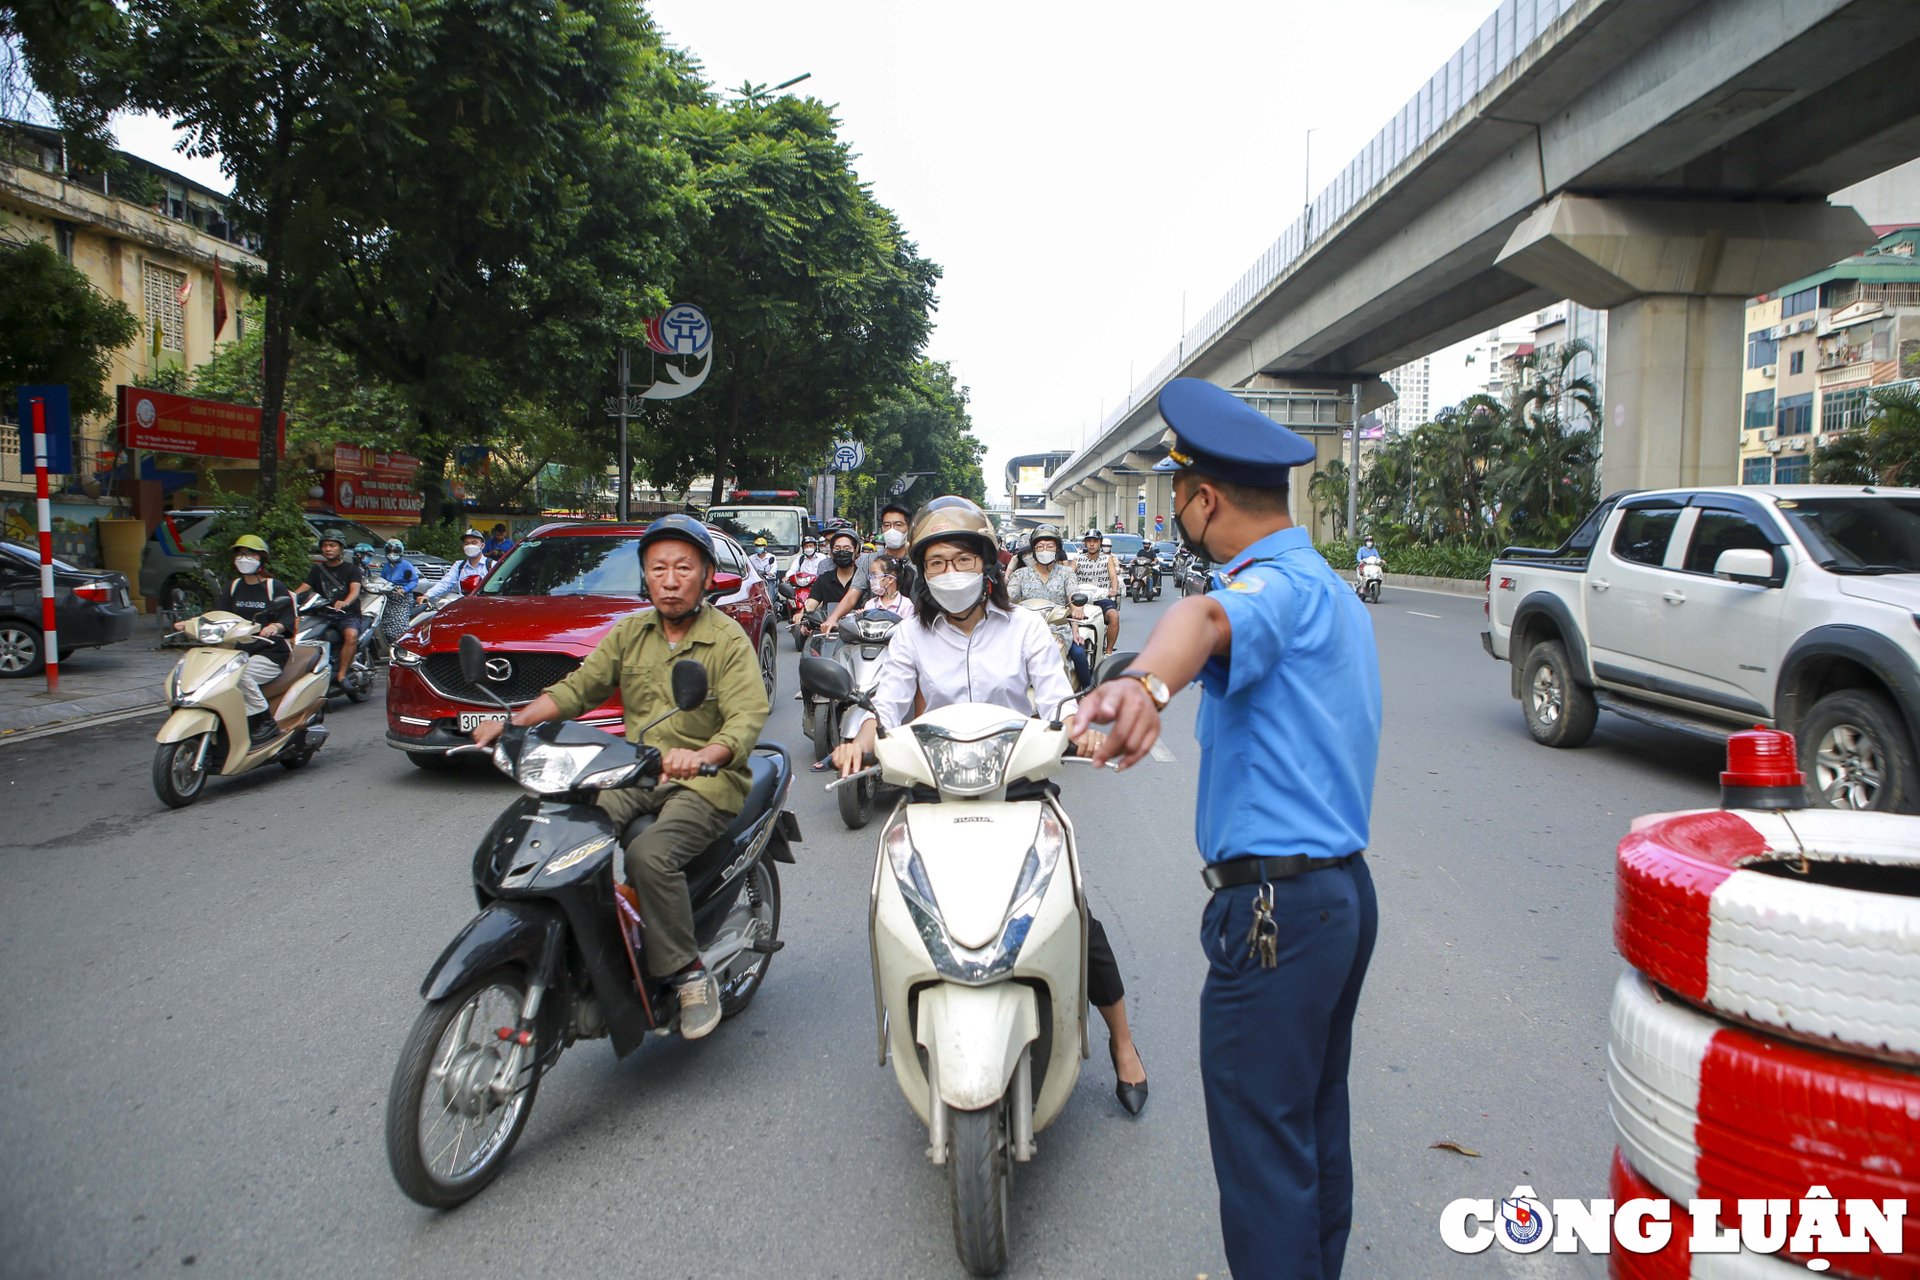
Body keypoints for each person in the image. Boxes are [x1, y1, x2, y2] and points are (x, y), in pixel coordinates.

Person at [1071, 377, 1381, 1278]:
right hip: (1338, 898)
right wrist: (1141, 674)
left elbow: (1204, 619)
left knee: (1263, 1161)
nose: (1175, 514)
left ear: (1205, 500)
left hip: (1274, 914)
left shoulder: (1267, 591)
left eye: (1177, 498)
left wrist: (1143, 687)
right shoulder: (1328, 590)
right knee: (1311, 1130)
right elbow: (1210, 641)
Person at [832, 497, 1149, 1116]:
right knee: (898, 900)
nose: (952, 572)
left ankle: (1122, 1040)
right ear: (924, 572)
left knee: (1072, 910)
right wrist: (861, 733)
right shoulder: (911, 635)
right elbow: (885, 701)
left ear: (987, 566)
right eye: (939, 562)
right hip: (934, 787)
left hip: (1019, 784)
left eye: (963, 560)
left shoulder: (1026, 628)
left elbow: (1058, 698)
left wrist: (1075, 724)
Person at [472, 515, 770, 1040]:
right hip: (632, 773)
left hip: (705, 781)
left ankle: (687, 973)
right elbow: (577, 689)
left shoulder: (726, 639)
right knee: (561, 829)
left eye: (683, 568)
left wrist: (706, 753)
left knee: (648, 856)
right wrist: (512, 721)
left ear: (704, 578)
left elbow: (747, 717)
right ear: (646, 577)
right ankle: (587, 943)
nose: (671, 580)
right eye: (659, 569)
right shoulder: (631, 632)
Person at [174, 535, 297, 745]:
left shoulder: (273, 586)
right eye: (240, 554)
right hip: (235, 651)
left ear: (261, 559)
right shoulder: (234, 587)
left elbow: (287, 617)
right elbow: (217, 614)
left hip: (269, 652)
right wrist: (191, 623)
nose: (244, 558)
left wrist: (274, 626)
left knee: (240, 677)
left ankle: (264, 720)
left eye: (250, 554)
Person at [1006, 524, 1090, 687]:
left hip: (1059, 629)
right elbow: (1008, 598)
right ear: (1033, 550)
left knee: (1079, 654)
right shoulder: (1020, 574)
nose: (1045, 550)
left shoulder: (1067, 573)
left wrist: (1077, 611)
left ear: (1057, 549)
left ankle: (1087, 692)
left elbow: (1073, 596)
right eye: (1040, 547)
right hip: (1026, 632)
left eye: (1049, 546)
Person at [293, 529, 363, 685]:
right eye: (325, 546)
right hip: (322, 614)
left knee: (351, 635)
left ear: (341, 548)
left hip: (347, 614)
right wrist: (289, 597)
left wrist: (345, 602)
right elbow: (304, 587)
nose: (328, 549)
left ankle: (342, 675)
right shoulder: (317, 569)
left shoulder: (352, 569)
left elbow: (355, 590)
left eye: (332, 545)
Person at [1072, 529, 1123, 649]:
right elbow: (1069, 575)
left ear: (1100, 543)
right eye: (1089, 541)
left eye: (1095, 541)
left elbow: (1113, 577)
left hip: (1101, 598)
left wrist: (1114, 590)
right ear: (1085, 543)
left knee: (1114, 616)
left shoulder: (1107, 559)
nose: (1092, 544)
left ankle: (1109, 651)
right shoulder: (1078, 558)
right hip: (1080, 600)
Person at [812, 527, 869, 635]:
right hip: (829, 634)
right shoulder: (824, 579)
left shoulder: (865, 580)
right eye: (837, 548)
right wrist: (803, 614)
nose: (842, 552)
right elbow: (811, 602)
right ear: (832, 551)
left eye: (847, 548)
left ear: (856, 550)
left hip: (860, 634)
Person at [419, 528, 494, 605]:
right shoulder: (459, 566)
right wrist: (428, 595)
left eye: (474, 543)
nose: (470, 546)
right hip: (465, 606)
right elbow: (446, 583)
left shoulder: (492, 565)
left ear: (482, 545)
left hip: (486, 606)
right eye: (466, 543)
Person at [862, 555, 914, 620]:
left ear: (890, 579)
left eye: (874, 575)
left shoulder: (906, 605)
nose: (871, 579)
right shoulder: (870, 604)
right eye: (871, 575)